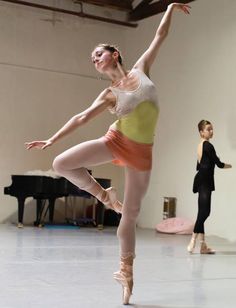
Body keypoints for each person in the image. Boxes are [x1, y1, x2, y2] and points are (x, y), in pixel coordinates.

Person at [26, 3, 190, 304]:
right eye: (92, 59)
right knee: (61, 162)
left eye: (98, 54)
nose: (94, 60)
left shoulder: (141, 68)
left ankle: (126, 271)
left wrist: (167, 7)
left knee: (131, 214)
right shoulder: (109, 93)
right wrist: (52, 138)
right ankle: (104, 196)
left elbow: (160, 34)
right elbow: (81, 118)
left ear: (114, 54)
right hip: (116, 140)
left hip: (142, 153)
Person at [187, 120, 232, 254]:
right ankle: (193, 240)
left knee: (202, 212)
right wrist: (230, 165)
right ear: (201, 132)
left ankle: (202, 246)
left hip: (201, 180)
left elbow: (198, 165)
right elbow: (218, 164)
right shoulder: (208, 146)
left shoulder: (200, 145)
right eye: (208, 129)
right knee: (205, 212)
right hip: (205, 181)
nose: (211, 131)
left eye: (212, 129)